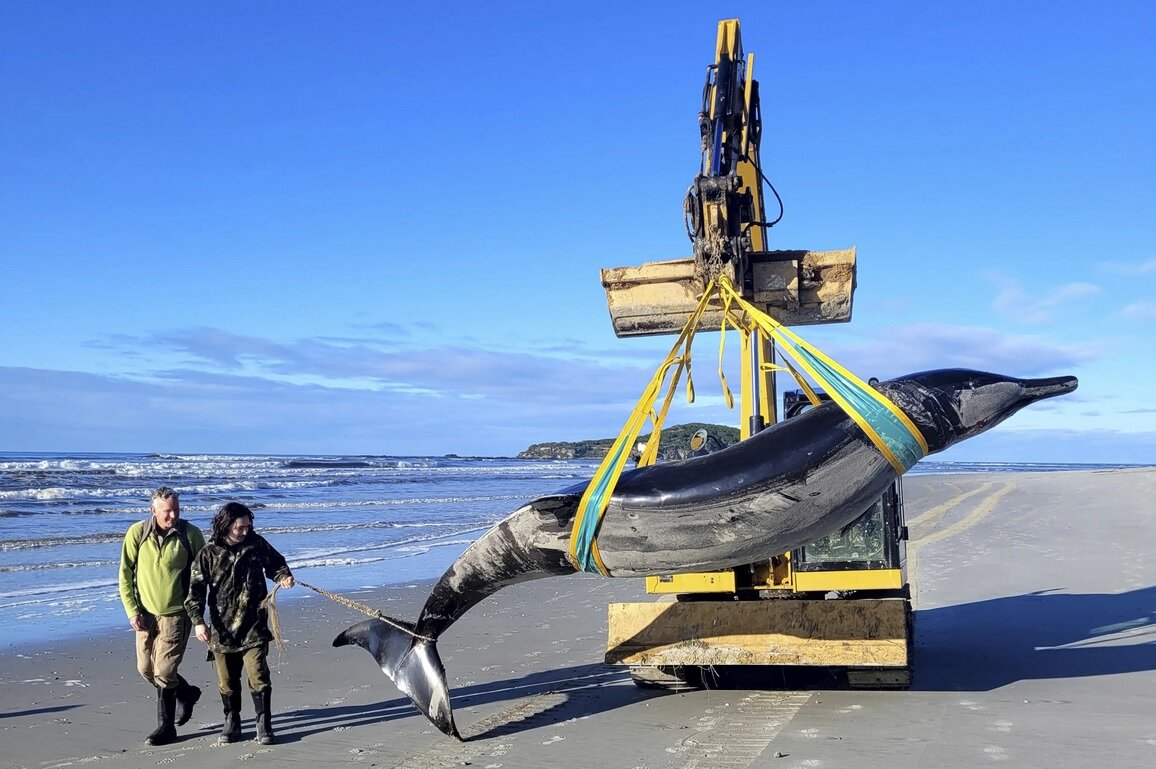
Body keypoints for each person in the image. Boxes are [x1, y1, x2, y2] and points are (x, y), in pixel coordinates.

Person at [185, 501, 294, 745]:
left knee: (258, 675)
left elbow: (276, 563)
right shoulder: (209, 553)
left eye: (249, 526)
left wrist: (283, 576)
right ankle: (232, 720)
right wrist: (198, 622)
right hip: (222, 629)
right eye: (241, 527)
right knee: (227, 681)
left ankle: (263, 723)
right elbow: (196, 590)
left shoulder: (256, 544)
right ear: (226, 525)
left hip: (254, 624)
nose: (246, 531)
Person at [118, 486, 206, 746]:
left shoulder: (190, 534)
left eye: (176, 510)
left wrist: (199, 613)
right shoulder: (137, 533)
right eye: (167, 511)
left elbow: (203, 574)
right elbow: (125, 574)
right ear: (153, 510)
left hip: (177, 614)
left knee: (165, 671)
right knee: (146, 670)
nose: (172, 515)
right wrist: (132, 610)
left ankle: (166, 728)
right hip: (145, 615)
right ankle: (187, 693)